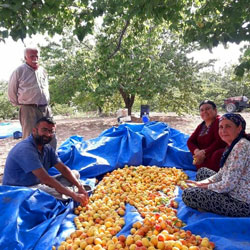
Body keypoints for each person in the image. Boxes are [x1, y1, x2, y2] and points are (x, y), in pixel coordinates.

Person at [2, 117, 89, 206]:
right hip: (21, 189)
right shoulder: (26, 149)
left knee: (75, 174)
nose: (47, 134)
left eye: (51, 131)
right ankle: (68, 192)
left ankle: (67, 191)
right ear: (34, 130)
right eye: (44, 130)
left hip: (39, 182)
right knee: (59, 194)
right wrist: (73, 195)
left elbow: (63, 169)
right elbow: (46, 178)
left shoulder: (46, 148)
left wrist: (80, 187)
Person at [182, 113, 250, 217]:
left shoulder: (241, 146)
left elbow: (228, 184)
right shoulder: (233, 145)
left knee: (189, 194)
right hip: (231, 189)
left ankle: (208, 206)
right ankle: (207, 201)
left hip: (241, 203)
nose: (223, 131)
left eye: (228, 126)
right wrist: (201, 183)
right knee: (203, 172)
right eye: (221, 127)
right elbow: (222, 173)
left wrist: (205, 187)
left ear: (239, 128)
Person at [8, 47, 56, 149]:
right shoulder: (19, 71)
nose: (35, 59)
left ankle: (50, 161)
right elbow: (12, 91)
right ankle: (30, 163)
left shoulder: (42, 71)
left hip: (45, 108)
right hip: (28, 109)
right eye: (31, 56)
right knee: (30, 137)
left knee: (50, 135)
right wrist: (22, 104)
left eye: (36, 56)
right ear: (25, 57)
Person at [187, 100, 227, 172]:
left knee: (218, 153)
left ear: (215, 110)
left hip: (214, 156)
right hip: (202, 158)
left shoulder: (219, 122)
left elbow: (220, 142)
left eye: (207, 109)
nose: (204, 112)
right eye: (202, 110)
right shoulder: (201, 125)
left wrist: (204, 152)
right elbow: (190, 141)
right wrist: (197, 152)